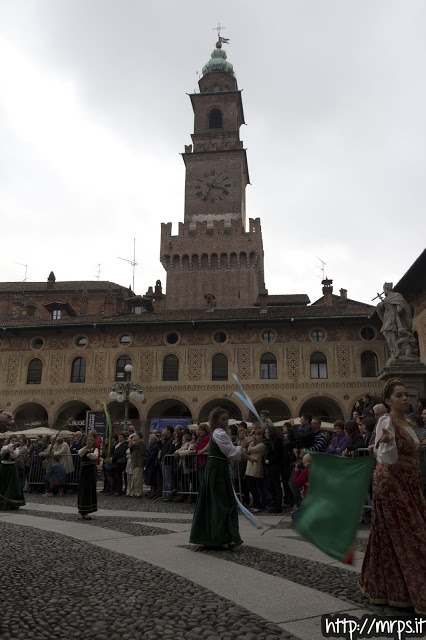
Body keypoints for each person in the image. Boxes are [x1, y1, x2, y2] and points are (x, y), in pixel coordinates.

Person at [358, 379, 426, 614]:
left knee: (390, 535)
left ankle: (391, 590)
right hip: (391, 482)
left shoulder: (408, 423)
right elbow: (386, 456)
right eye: (399, 395)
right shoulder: (385, 421)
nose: (405, 398)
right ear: (388, 400)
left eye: (406, 394)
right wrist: (384, 442)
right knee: (413, 533)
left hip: (411, 482)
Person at [189, 408, 256, 549]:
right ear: (215, 420)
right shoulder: (219, 433)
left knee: (215, 501)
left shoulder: (219, 433)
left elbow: (230, 450)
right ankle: (224, 537)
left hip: (217, 468)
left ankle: (217, 536)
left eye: (227, 419)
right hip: (217, 469)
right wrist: (244, 445)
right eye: (222, 419)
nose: (225, 422)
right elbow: (231, 452)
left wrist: (243, 450)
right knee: (223, 502)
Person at [264, 425, 290, 513]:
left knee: (276, 486)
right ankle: (275, 502)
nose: (265, 434)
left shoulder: (276, 442)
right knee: (271, 485)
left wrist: (269, 461)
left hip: (275, 467)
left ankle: (277, 505)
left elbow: (278, 456)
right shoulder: (273, 442)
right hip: (273, 467)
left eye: (266, 433)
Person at [0, 436, 25, 511]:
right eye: (12, 440)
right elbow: (3, 450)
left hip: (11, 468)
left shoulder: (17, 449)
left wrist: (12, 450)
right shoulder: (5, 446)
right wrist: (11, 446)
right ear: (9, 441)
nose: (14, 442)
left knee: (12, 485)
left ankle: (11, 504)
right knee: (2, 484)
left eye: (15, 441)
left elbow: (15, 455)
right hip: (3, 467)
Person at [77, 434, 98, 520]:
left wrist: (91, 455)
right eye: (87, 440)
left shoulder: (95, 449)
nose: (89, 441)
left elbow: (95, 456)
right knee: (84, 490)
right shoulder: (83, 449)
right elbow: (80, 453)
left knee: (90, 490)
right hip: (84, 472)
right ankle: (83, 510)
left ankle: (89, 508)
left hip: (92, 472)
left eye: (91, 440)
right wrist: (86, 448)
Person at [128, 433, 146, 498]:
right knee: (135, 478)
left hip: (139, 462)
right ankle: (135, 492)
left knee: (138, 479)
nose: (134, 438)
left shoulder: (140, 442)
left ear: (138, 436)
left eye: (135, 436)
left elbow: (131, 445)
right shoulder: (137, 442)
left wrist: (130, 440)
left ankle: (138, 492)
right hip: (135, 462)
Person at [145, 434, 160, 498]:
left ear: (153, 440)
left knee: (152, 479)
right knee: (150, 478)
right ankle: (151, 491)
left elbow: (152, 456)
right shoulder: (151, 446)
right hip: (150, 464)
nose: (148, 440)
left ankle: (153, 491)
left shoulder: (155, 446)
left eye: (150, 439)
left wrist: (147, 462)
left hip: (152, 464)